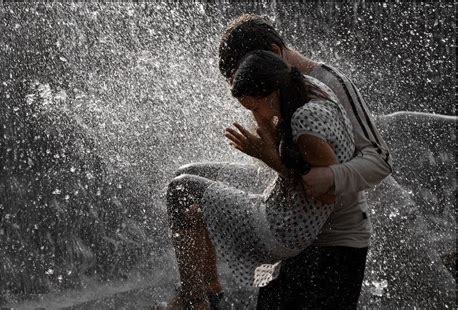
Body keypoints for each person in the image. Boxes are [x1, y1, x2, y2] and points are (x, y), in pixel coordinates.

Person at [161, 48, 365, 310]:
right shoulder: (306, 88)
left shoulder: (306, 123)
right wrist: (268, 140)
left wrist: (266, 156)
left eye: (255, 107)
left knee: (180, 189)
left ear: (271, 93)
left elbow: (329, 192)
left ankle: (193, 301)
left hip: (285, 227)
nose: (255, 116)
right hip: (285, 208)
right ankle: (207, 291)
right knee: (192, 202)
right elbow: (301, 164)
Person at [216, 14, 393, 309]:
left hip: (333, 242)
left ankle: (201, 297)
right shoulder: (273, 93)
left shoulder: (329, 83)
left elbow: (380, 159)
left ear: (273, 53)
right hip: (296, 233)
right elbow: (289, 168)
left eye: (250, 69)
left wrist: (332, 177)